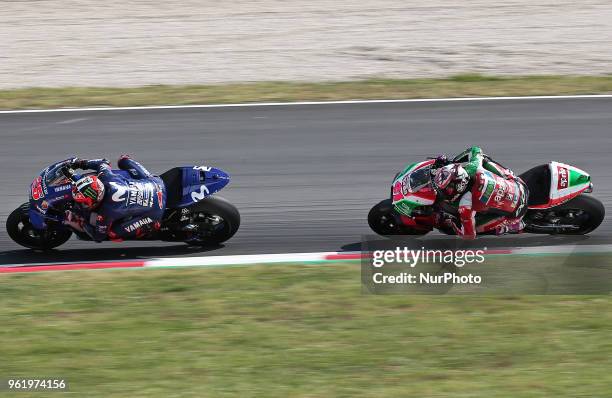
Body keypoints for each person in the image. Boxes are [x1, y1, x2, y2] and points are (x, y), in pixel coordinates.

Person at [431, 147, 528, 240]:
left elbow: (469, 236)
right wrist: (452, 162)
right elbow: (475, 149)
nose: (445, 191)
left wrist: (453, 225)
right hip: (520, 185)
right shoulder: (473, 167)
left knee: (473, 228)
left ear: (459, 186)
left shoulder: (465, 204)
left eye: (448, 188)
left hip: (516, 213)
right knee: (484, 159)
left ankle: (510, 227)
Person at [63, 155, 166, 242]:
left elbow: (98, 237)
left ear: (96, 200)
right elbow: (103, 162)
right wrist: (80, 164)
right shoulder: (106, 177)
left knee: (113, 234)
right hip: (155, 183)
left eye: (84, 203)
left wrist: (81, 222)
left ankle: (150, 227)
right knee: (123, 160)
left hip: (155, 210)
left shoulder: (106, 212)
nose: (82, 205)